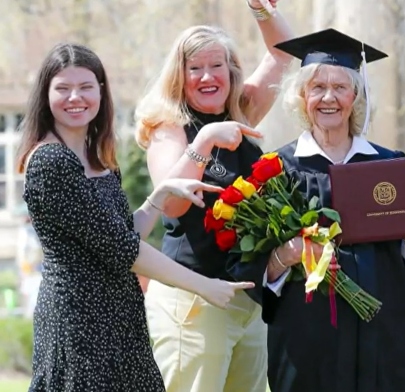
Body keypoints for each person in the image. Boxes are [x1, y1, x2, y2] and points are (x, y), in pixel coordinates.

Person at [17, 42, 254, 392]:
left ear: (100, 91)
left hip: (119, 316)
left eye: (85, 87)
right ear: (45, 96)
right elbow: (123, 250)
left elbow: (124, 234)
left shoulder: (96, 157)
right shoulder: (52, 162)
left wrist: (158, 199)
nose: (75, 98)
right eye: (62, 89)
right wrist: (204, 286)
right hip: (79, 321)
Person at [228, 28, 405, 392]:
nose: (329, 98)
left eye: (340, 87)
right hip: (308, 346)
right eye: (317, 88)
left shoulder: (391, 167)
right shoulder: (276, 171)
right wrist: (287, 254)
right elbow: (251, 273)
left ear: (356, 96)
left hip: (387, 341)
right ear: (302, 96)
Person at [134, 2, 294, 391]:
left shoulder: (241, 112)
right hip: (193, 299)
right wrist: (204, 139)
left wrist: (263, 10)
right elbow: (171, 203)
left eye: (216, 65)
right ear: (180, 76)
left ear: (230, 71)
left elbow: (283, 53)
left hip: (247, 300)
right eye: (195, 68)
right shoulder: (169, 128)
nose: (207, 76)